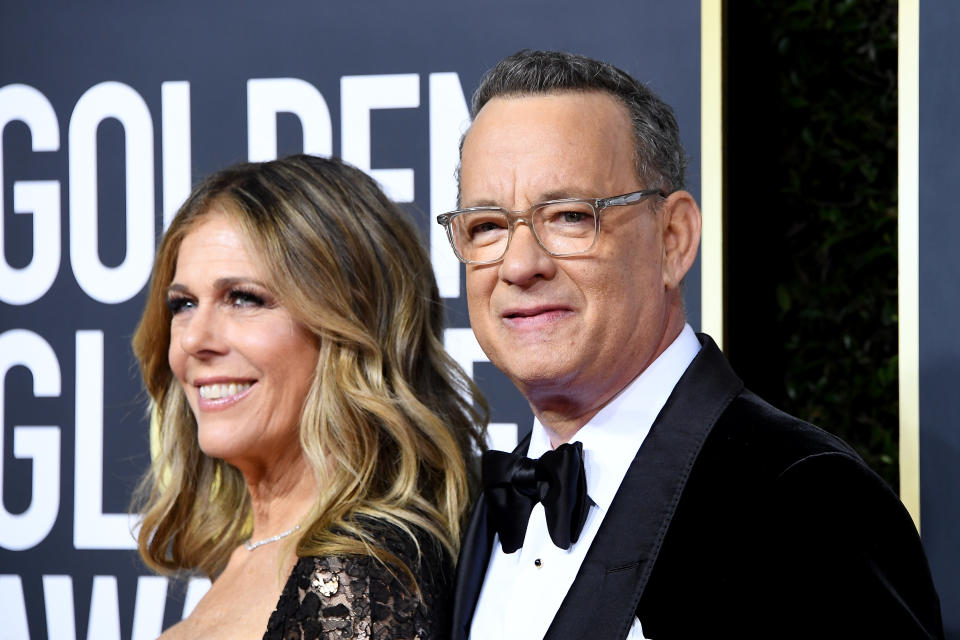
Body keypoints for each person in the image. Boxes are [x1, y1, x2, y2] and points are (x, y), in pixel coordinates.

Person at [439, 50, 944, 639]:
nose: (520, 265)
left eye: (570, 216)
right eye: (488, 227)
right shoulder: (475, 514)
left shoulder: (807, 502)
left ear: (673, 239)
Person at [132, 154, 487, 639]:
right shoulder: (253, 556)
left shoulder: (360, 580)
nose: (195, 339)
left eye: (244, 298)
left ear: (350, 324)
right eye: (183, 304)